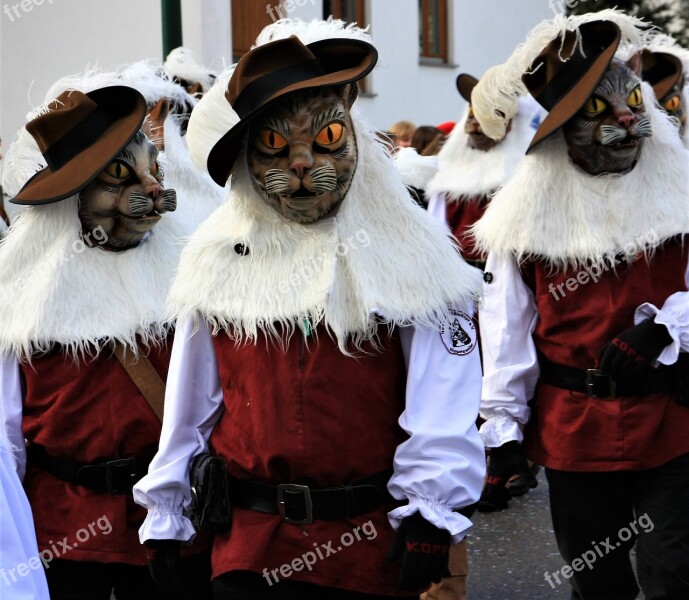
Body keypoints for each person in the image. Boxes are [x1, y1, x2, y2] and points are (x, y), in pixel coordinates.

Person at [133, 18, 485, 600]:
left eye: (323, 143)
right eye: (273, 146)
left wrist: (431, 509)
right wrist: (169, 510)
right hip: (250, 544)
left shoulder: (410, 251)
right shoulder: (218, 256)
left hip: (367, 545)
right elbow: (192, 399)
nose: (300, 163)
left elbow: (443, 388)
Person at [471, 11, 689, 599]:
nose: (625, 117)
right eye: (597, 109)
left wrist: (671, 327)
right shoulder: (524, 222)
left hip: (672, 421)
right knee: (598, 583)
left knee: (675, 571)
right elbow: (507, 327)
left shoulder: (681, 194)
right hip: (576, 431)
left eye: (632, 102)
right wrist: (503, 429)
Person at [0, 84, 212, 600]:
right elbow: (7, 442)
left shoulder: (195, 277)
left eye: (153, 168)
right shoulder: (19, 301)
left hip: (174, 531)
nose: (151, 189)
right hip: (66, 536)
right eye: (120, 174)